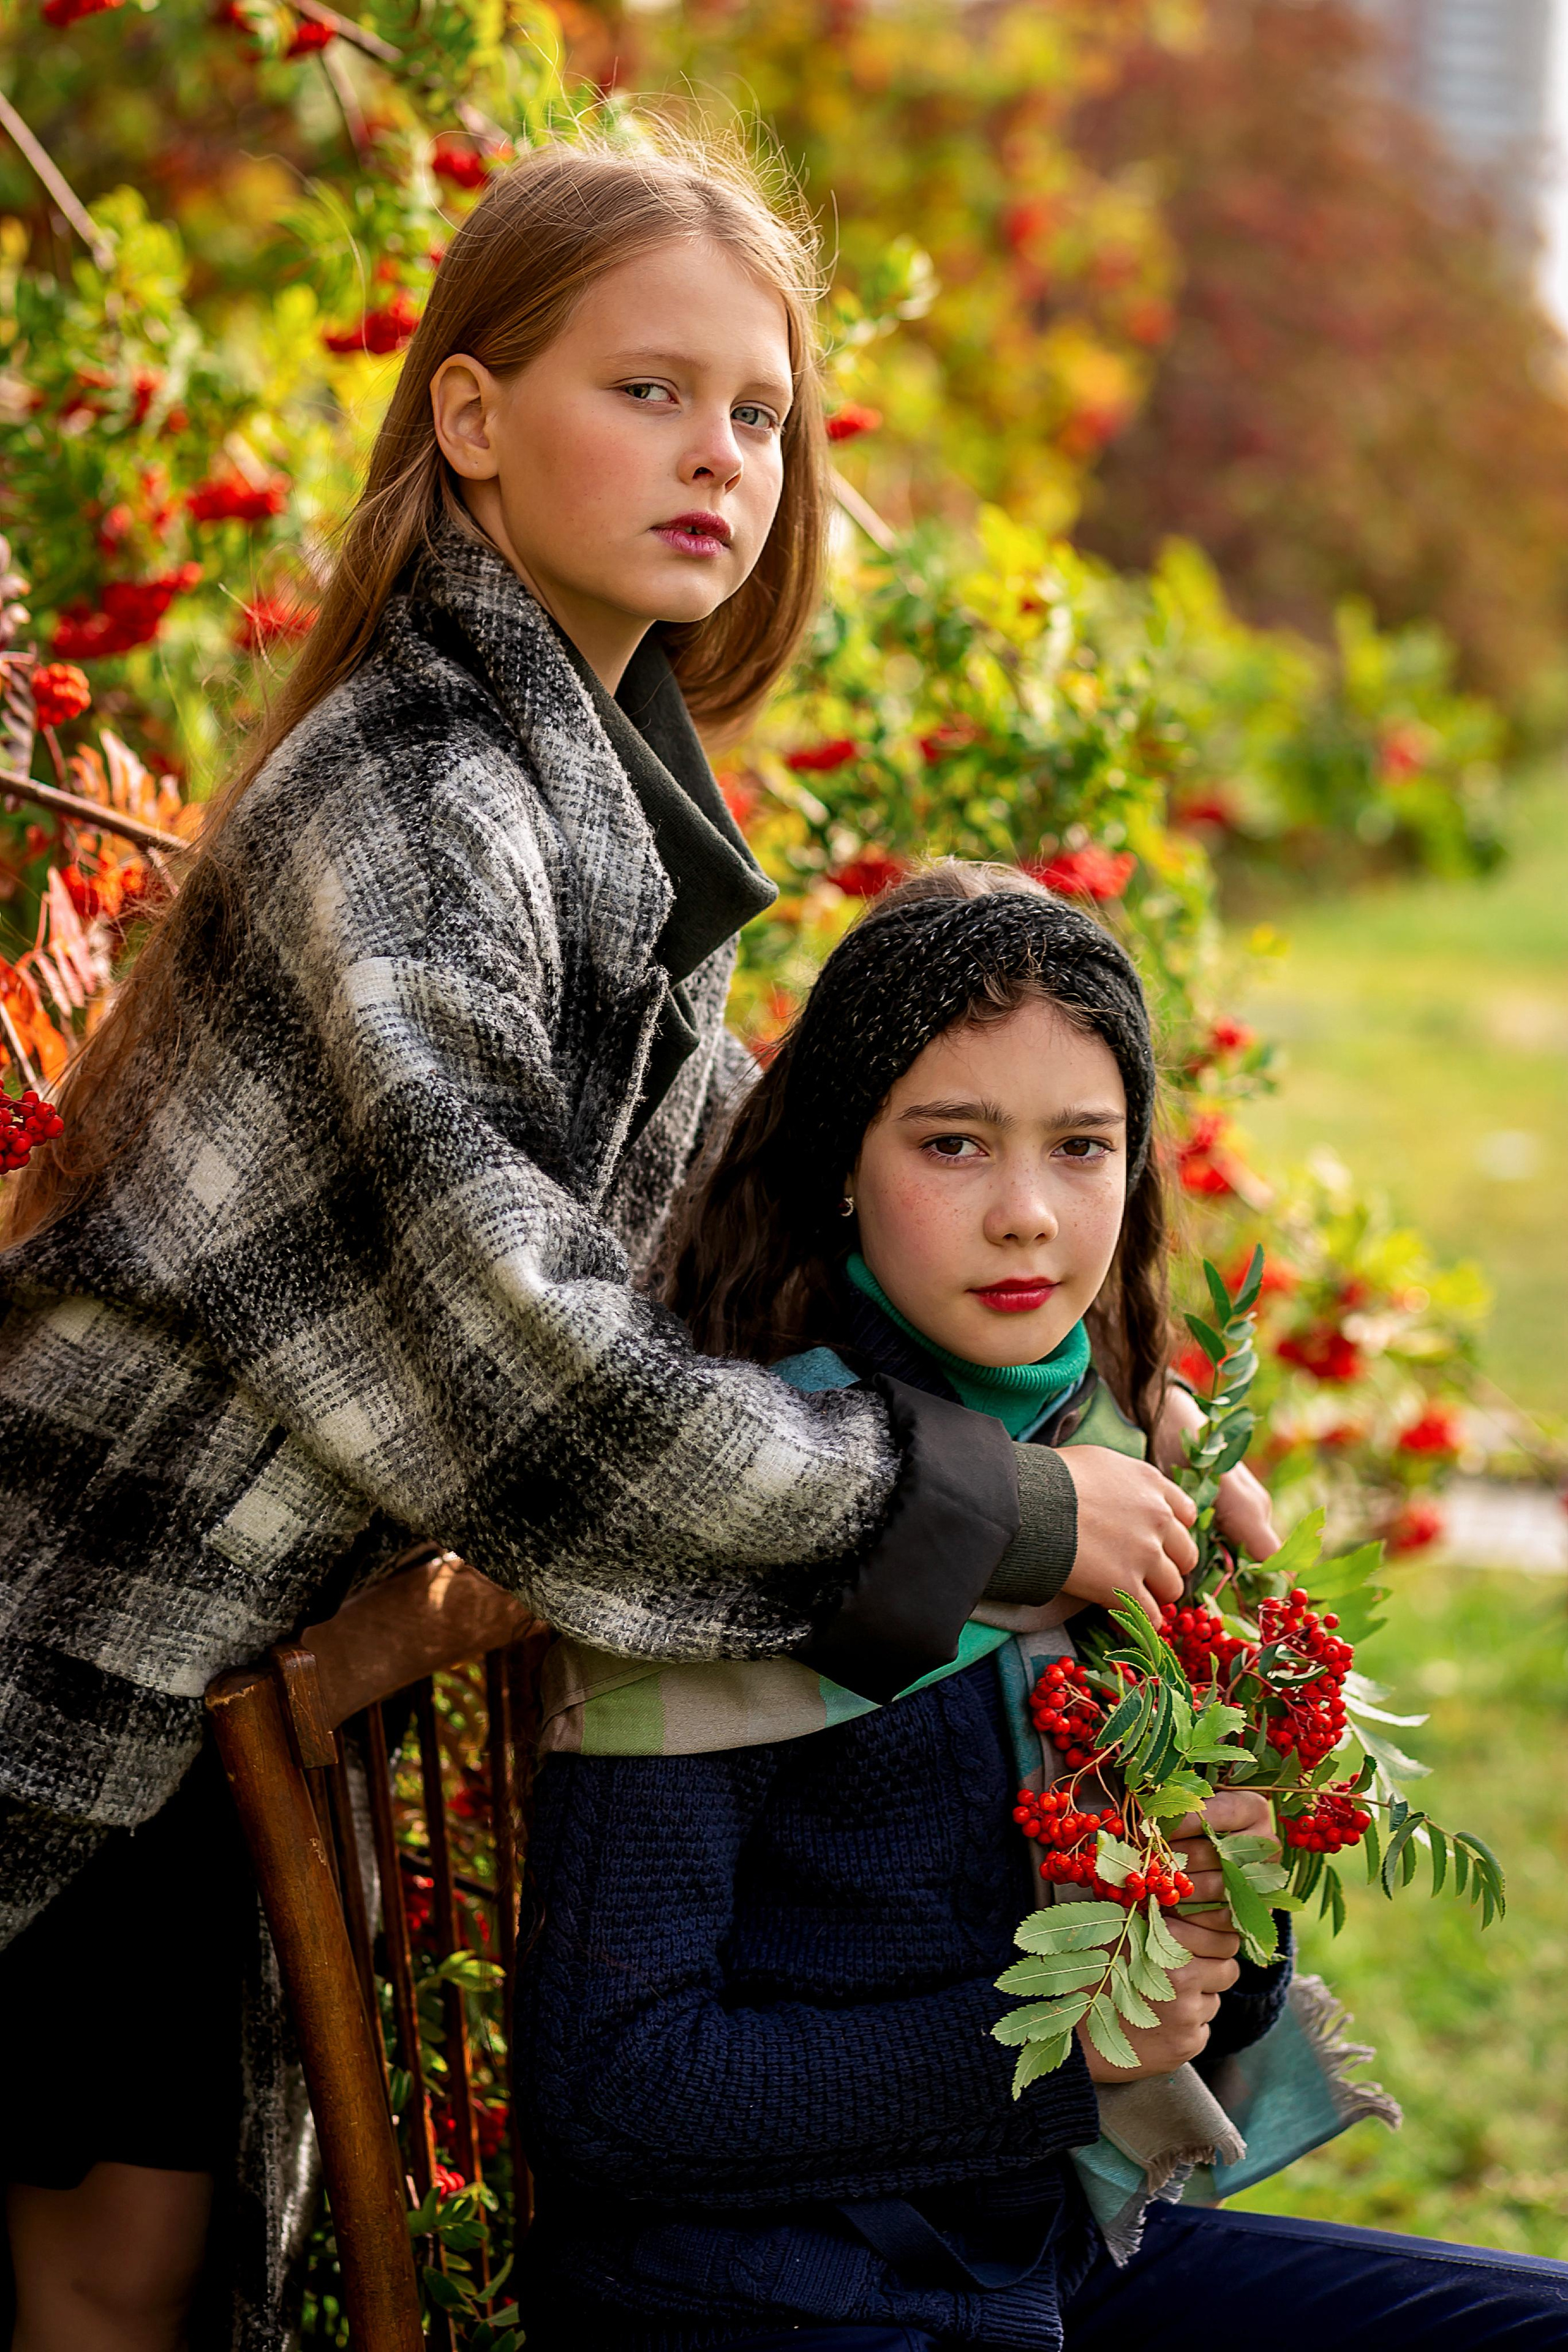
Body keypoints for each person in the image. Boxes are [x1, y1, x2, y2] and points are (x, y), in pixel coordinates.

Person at [0, 138, 1242, 2352]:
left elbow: (716, 1224)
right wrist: (1000, 1506)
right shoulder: (408, 795)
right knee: (112, 2285)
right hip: (97, 1621)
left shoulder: (604, 798)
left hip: (243, 1647)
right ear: (468, 415)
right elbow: (536, 1340)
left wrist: (1046, 1330)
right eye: (649, 392)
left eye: (761, 415)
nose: (722, 461)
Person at [513, 864, 1568, 2351]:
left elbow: (1219, 2010)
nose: (1025, 1217)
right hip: (765, 2304)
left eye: (1081, 1148)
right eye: (951, 1144)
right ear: (841, 1162)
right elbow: (613, 2089)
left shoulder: (1128, 1480)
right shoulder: (749, 1516)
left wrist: (1216, 1925)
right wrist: (1066, 2057)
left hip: (1044, 2271)